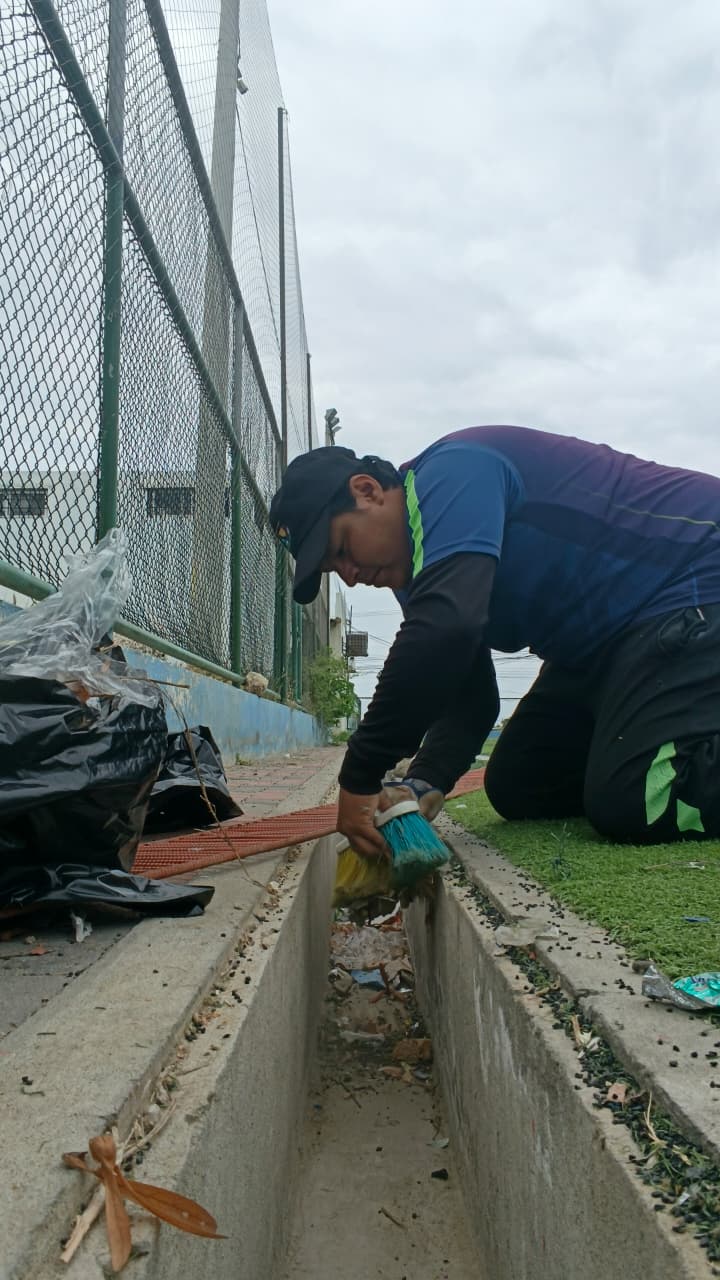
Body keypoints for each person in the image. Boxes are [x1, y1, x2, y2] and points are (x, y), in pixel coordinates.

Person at [269, 425, 720, 858]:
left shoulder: (454, 472)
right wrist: (423, 782)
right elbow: (470, 698)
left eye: (342, 549)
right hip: (602, 647)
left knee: (638, 797)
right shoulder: (421, 576)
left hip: (694, 578)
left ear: (367, 491)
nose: (349, 575)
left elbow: (446, 630)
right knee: (520, 784)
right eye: (334, 569)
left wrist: (361, 772)